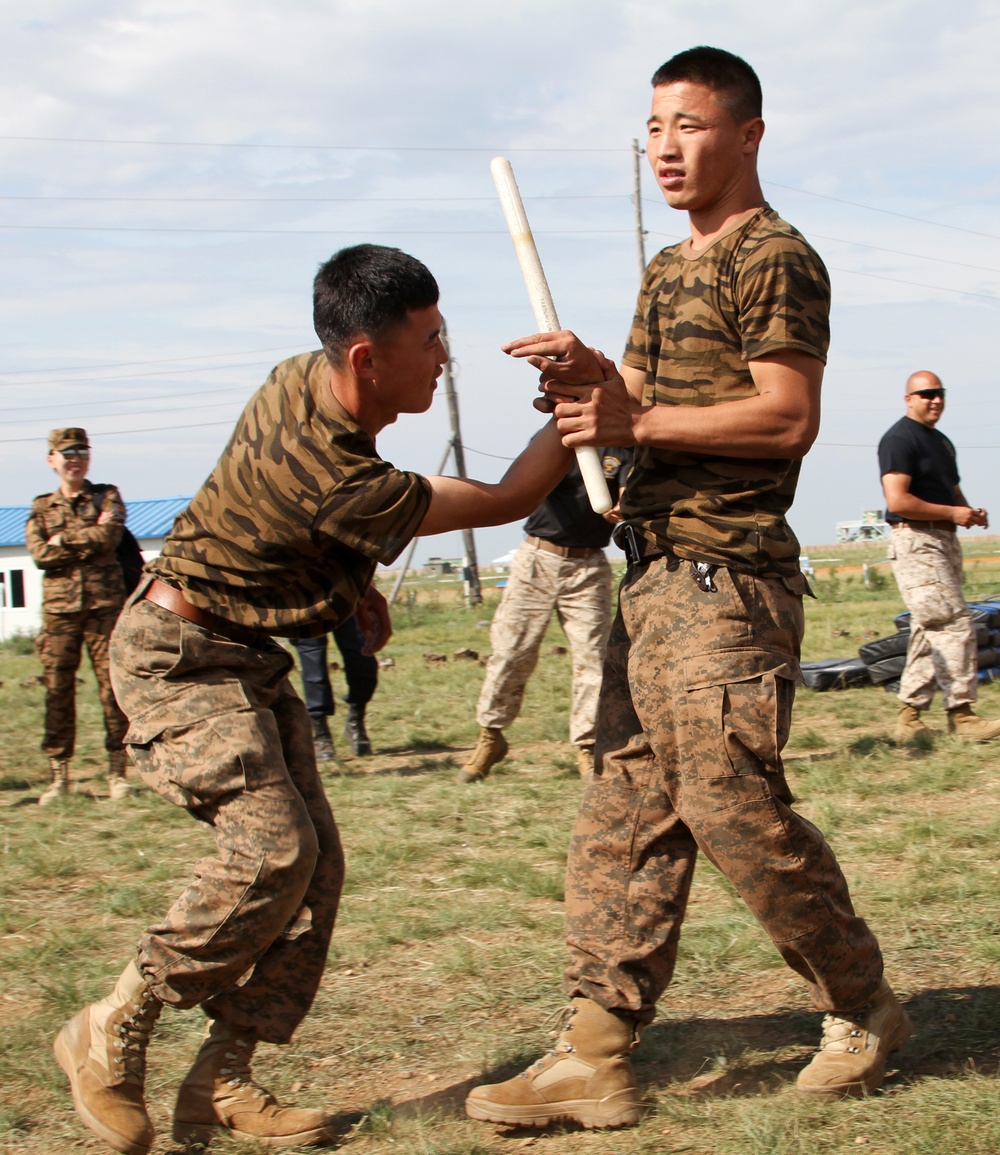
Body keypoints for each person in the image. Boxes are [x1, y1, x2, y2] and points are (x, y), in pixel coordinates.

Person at [465, 47, 909, 1130]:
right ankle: (594, 1051)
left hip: (731, 582)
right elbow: (638, 400)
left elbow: (786, 416)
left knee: (729, 807)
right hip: (653, 577)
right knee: (622, 814)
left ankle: (860, 1003)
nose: (665, 146)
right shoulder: (666, 270)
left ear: (746, 134)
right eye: (652, 128)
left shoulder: (776, 257)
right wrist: (591, 380)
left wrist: (635, 421)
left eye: (689, 125)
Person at [52, 244, 576, 1155]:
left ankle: (222, 1077)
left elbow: (304, 521)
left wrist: (347, 577)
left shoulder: (299, 376)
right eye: (430, 338)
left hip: (242, 654)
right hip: (178, 656)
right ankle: (115, 1017)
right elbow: (506, 497)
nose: (444, 353)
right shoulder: (340, 478)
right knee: (272, 849)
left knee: (315, 867)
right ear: (366, 356)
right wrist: (575, 418)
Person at [459, 447, 631, 783]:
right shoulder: (564, 438)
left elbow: (627, 487)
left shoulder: (625, 447)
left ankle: (587, 748)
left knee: (593, 662)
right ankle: (490, 738)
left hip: (588, 567)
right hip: (538, 559)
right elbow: (529, 483)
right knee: (510, 652)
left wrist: (624, 504)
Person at [878, 371, 1000, 743]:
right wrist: (951, 514)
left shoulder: (942, 443)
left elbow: (952, 489)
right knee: (952, 623)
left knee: (928, 627)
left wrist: (967, 511)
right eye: (926, 393)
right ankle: (961, 716)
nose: (935, 400)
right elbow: (897, 501)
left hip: (943, 541)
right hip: (916, 541)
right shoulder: (899, 439)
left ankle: (909, 717)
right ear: (908, 398)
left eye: (940, 393)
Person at [25, 428, 131, 804]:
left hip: (105, 608)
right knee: (58, 691)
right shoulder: (41, 508)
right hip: (59, 615)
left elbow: (110, 538)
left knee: (113, 691)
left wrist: (65, 541)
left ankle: (117, 773)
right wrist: (90, 537)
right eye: (66, 454)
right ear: (51, 459)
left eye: (81, 452)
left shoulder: (107, 496)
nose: (75, 460)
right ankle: (60, 777)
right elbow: (39, 555)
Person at [291, 613, 381, 759]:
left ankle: (355, 720)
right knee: (314, 670)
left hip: (339, 597)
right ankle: (321, 735)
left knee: (363, 660)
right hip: (302, 603)